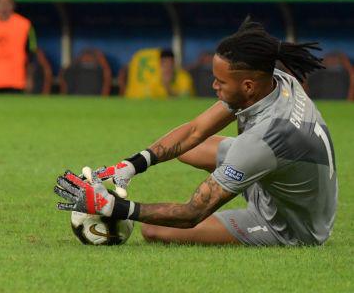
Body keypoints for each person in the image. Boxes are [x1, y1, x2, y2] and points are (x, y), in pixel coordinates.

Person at [56, 18, 336, 246]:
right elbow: (195, 130)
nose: (214, 86)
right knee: (189, 148)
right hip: (286, 177)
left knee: (154, 231)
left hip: (293, 225)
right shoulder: (274, 81)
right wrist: (132, 164)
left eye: (221, 82)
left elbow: (192, 213)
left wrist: (114, 208)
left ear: (248, 86)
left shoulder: (263, 140)